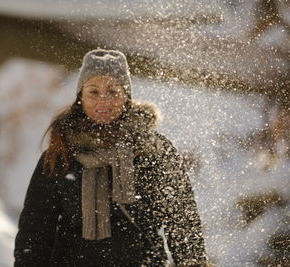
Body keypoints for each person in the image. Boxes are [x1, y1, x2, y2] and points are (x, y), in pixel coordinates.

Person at [14, 49, 208, 266]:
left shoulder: (154, 151)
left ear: (126, 96)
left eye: (113, 91)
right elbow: (35, 231)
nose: (103, 100)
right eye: (93, 92)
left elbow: (182, 222)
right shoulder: (61, 154)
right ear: (81, 97)